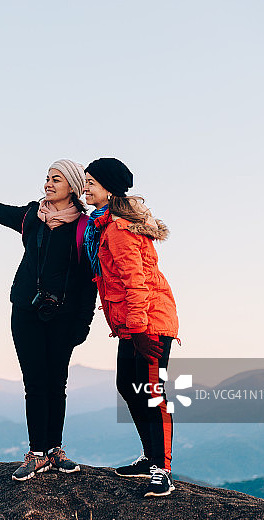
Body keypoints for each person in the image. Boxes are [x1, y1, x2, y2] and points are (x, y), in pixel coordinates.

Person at [0, 155, 97, 482]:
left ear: (73, 187)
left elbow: (89, 280)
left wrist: (83, 323)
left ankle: (55, 450)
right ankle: (37, 453)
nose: (48, 183)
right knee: (34, 382)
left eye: (56, 179)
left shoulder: (85, 227)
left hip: (63, 316)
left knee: (56, 382)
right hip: (25, 311)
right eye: (47, 177)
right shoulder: (32, 215)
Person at [82, 157, 179, 497]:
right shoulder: (106, 225)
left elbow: (136, 283)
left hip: (149, 322)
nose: (86, 188)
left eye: (91, 182)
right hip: (133, 324)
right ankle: (150, 457)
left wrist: (138, 330)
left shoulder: (119, 230)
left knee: (152, 393)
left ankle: (162, 470)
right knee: (128, 384)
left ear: (108, 188)